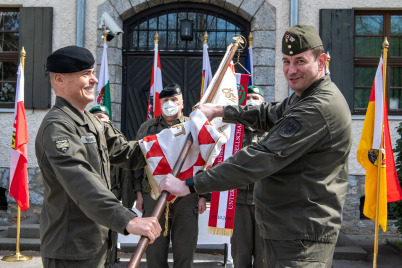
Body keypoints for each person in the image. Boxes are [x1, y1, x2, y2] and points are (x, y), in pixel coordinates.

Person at [159, 25, 352, 267]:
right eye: (286, 61)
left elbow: (261, 157)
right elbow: (267, 113)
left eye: (300, 61)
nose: (291, 70)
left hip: (300, 238)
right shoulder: (304, 97)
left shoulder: (317, 107)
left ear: (321, 61)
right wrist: (220, 111)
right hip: (287, 229)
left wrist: (191, 184)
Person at [35, 46, 161, 268]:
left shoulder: (92, 122)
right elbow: (82, 183)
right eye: (85, 74)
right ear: (59, 79)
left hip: (99, 242)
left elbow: (130, 153)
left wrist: (177, 140)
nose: (94, 80)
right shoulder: (58, 127)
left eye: (93, 72)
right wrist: (128, 219)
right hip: (72, 249)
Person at [134, 84, 207, 268]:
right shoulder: (147, 128)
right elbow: (136, 162)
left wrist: (203, 195)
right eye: (165, 100)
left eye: (174, 100)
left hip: (186, 193)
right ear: (159, 103)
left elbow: (205, 160)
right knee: (154, 246)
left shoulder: (193, 126)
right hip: (153, 193)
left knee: (185, 246)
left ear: (182, 103)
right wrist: (138, 193)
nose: (170, 104)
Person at [89, 105, 136, 267]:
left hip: (112, 198)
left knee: (110, 237)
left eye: (101, 116)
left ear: (108, 120)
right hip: (91, 199)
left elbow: (125, 178)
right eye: (94, 116)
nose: (98, 119)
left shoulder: (116, 141)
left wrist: (127, 206)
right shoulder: (85, 141)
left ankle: (110, 261)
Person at [231, 85, 267, 268]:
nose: (251, 101)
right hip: (238, 200)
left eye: (255, 98)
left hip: (264, 200)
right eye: (249, 98)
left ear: (263, 103)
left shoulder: (272, 131)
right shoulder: (234, 131)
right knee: (240, 254)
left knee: (263, 255)